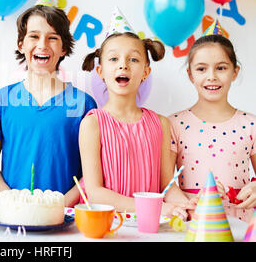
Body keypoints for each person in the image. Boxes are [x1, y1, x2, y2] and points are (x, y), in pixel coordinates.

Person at [0, 0, 97, 207]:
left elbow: (92, 172)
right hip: (12, 214)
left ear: (64, 47)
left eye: (52, 38)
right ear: (21, 44)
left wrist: (61, 205)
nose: (42, 45)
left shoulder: (84, 104)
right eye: (34, 36)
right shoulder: (2, 99)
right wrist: (9, 199)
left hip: (64, 217)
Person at [79, 15, 189, 217]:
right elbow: (95, 194)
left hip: (150, 227)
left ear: (146, 72)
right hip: (106, 227)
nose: (123, 65)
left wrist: (186, 204)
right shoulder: (92, 124)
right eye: (114, 58)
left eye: (133, 59)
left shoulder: (161, 124)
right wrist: (157, 208)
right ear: (100, 71)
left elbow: (167, 187)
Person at [165, 33, 256, 222]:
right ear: (190, 74)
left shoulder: (251, 125)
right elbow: (165, 184)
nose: (212, 77)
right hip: (194, 225)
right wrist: (190, 205)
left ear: (234, 72)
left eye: (221, 68)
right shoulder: (173, 124)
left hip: (241, 226)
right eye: (201, 69)